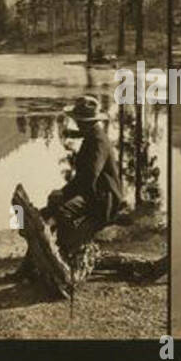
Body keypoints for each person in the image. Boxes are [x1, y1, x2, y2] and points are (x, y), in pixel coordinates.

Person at [40, 95, 125, 276]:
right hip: (95, 193)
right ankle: (58, 251)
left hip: (104, 199)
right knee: (51, 208)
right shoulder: (93, 134)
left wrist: (64, 193)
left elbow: (88, 177)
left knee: (62, 210)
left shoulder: (97, 141)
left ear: (87, 122)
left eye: (79, 121)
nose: (76, 124)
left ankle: (70, 250)